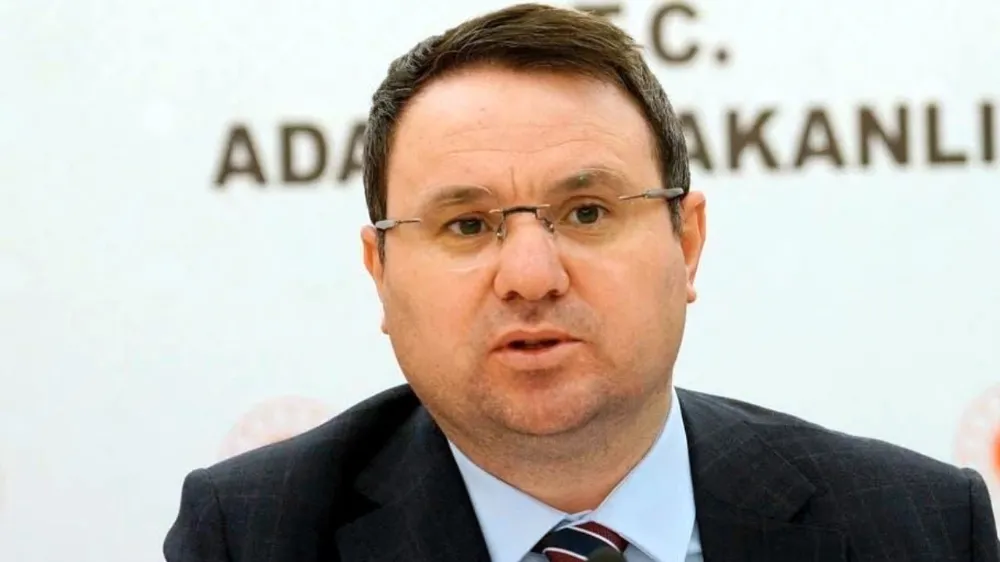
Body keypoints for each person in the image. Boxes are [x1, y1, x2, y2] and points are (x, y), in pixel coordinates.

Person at [163, 4, 999, 561]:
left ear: (687, 242)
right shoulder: (254, 536)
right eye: (467, 225)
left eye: (588, 212)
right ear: (380, 273)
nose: (530, 277)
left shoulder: (918, 527)